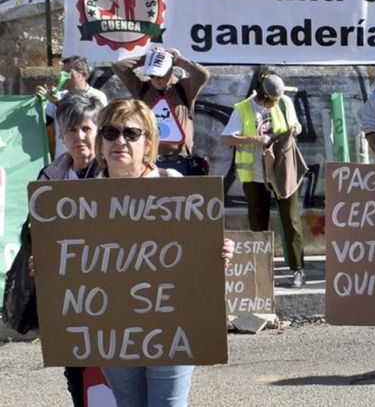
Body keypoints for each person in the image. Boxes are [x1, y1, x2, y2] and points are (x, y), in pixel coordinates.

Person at [94, 98, 234, 407]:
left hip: (172, 324)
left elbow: (198, 254)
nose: (120, 141)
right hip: (112, 327)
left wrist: (218, 253)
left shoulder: (174, 187)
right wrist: (51, 267)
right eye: (110, 132)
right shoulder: (81, 203)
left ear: (148, 143)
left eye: (131, 133)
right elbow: (73, 263)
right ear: (100, 144)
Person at [33, 92, 103, 407]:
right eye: (72, 131)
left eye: (86, 129)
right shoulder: (50, 178)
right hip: (70, 297)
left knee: (115, 375)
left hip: (115, 293)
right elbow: (35, 231)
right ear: (61, 135)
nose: (80, 137)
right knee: (77, 373)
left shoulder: (115, 174)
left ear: (98, 131)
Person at [220, 74, 307, 287]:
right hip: (255, 175)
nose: (274, 103)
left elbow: (297, 125)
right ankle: (260, 272)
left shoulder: (285, 102)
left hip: (282, 172)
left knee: (291, 221)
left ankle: (298, 270)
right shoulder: (243, 109)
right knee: (258, 224)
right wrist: (254, 140)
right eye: (270, 100)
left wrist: (295, 128)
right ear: (260, 93)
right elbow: (225, 138)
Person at [111, 46, 211, 175]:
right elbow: (118, 66)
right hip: (150, 161)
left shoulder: (183, 88)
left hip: (180, 160)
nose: (156, 79)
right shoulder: (142, 88)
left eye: (160, 75)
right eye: (152, 75)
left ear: (170, 70)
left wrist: (177, 59)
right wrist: (149, 58)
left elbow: (203, 74)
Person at [35, 56, 108, 158]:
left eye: (69, 73)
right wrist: (40, 100)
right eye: (62, 73)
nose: (63, 78)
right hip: (63, 157)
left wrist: (59, 103)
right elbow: (42, 121)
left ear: (84, 75)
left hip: (89, 157)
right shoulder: (60, 95)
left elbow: (79, 117)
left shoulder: (97, 96)